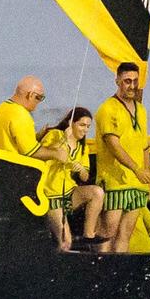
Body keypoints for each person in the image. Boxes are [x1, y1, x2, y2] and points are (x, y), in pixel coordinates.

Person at [95, 62, 150, 252]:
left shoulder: (141, 109)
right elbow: (113, 145)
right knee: (108, 232)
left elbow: (145, 146)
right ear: (117, 81)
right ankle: (101, 268)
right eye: (127, 81)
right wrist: (137, 169)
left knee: (125, 234)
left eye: (135, 81)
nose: (132, 85)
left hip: (136, 184)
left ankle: (119, 272)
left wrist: (147, 179)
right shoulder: (108, 109)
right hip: (115, 181)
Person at [36, 107, 105, 251]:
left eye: (88, 126)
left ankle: (88, 234)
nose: (85, 130)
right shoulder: (56, 135)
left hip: (69, 192)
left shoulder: (82, 147)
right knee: (65, 242)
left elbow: (85, 177)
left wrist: (80, 170)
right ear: (71, 123)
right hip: (51, 194)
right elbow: (45, 152)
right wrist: (65, 139)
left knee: (97, 192)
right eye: (82, 125)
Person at [0, 76, 62, 164]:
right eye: (39, 98)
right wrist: (56, 154)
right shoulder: (21, 114)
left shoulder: (3, 107)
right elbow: (32, 153)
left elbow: (11, 139)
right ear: (30, 95)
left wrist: (38, 136)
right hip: (10, 168)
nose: (39, 103)